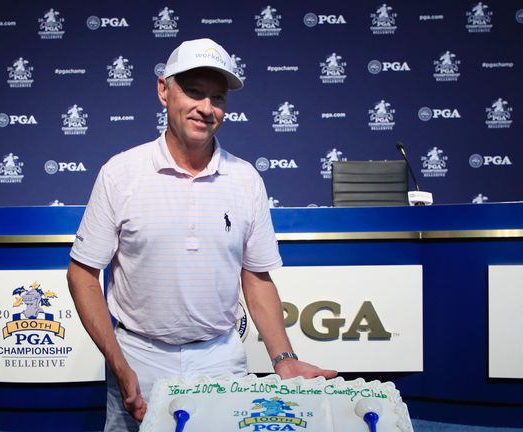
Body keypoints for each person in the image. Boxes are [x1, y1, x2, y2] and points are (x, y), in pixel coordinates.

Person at [67, 38, 337, 431]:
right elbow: (82, 274)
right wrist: (119, 364)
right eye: (193, 92)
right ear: (164, 90)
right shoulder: (120, 173)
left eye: (218, 98)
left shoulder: (245, 179)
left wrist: (283, 359)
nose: (206, 109)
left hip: (221, 360)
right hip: (138, 357)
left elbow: (257, 279)